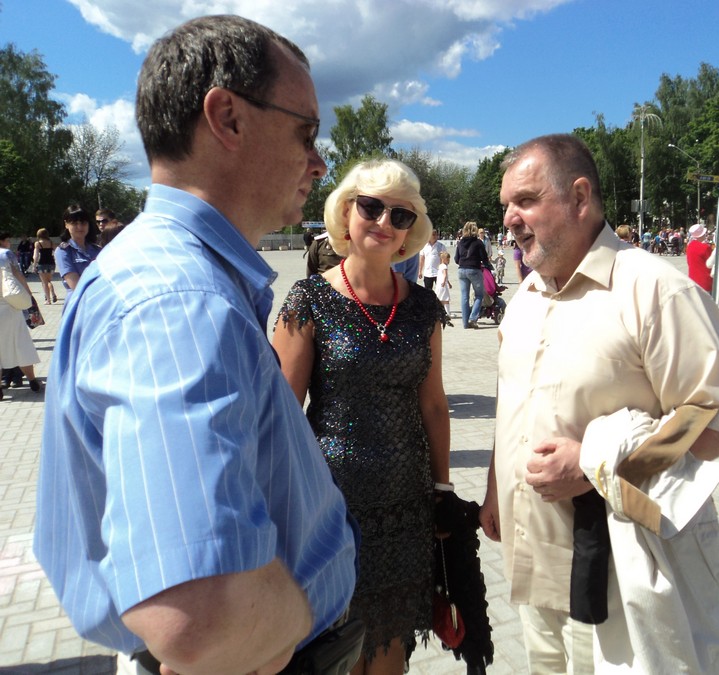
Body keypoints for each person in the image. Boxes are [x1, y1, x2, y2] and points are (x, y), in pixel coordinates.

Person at [34, 15, 358, 675]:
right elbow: (200, 622)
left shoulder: (171, 278)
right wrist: (289, 625)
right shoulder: (179, 300)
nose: (319, 161)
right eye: (306, 132)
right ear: (228, 118)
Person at [479, 134, 719, 674]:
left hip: (619, 578)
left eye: (526, 200)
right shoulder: (524, 299)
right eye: (507, 205)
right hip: (533, 564)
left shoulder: (657, 291)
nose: (510, 218)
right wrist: (494, 488)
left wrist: (594, 464)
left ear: (580, 198)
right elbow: (514, 403)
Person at [273, 158, 450, 674]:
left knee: (390, 648)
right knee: (336, 648)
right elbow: (283, 415)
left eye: (401, 215)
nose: (384, 222)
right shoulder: (310, 299)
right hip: (331, 506)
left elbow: (433, 404)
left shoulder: (422, 306)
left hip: (405, 507)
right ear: (346, 213)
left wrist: (442, 489)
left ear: (410, 232)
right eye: (371, 207)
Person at [0, 232, 41, 398]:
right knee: (21, 344)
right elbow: (19, 276)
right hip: (10, 305)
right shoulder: (6, 254)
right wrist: (29, 296)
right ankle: (32, 380)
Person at [54, 204, 102, 296]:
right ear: (66, 224)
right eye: (74, 223)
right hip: (80, 300)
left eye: (83, 223)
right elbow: (76, 286)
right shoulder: (63, 251)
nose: (79, 227)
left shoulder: (97, 250)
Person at [455, 220, 492, 329]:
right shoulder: (478, 243)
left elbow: (456, 259)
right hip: (474, 269)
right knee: (479, 295)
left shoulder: (460, 242)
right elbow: (484, 258)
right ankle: (472, 318)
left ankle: (465, 323)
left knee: (464, 296)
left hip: (461, 270)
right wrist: (488, 267)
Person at [685, 223, 714, 293]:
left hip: (693, 279)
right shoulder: (705, 247)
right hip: (705, 280)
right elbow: (710, 264)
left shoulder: (689, 246)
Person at [32, 228, 58, 304]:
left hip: (42, 263)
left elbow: (36, 255)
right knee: (49, 281)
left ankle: (48, 300)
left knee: (44, 282)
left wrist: (34, 265)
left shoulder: (37, 243)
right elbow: (57, 251)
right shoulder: (51, 242)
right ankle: (52, 293)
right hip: (51, 263)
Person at [436, 250, 453, 324]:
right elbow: (445, 275)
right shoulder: (444, 266)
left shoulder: (440, 266)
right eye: (447, 259)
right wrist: (444, 282)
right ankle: (447, 314)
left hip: (440, 284)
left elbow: (445, 276)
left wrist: (448, 283)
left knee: (440, 299)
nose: (448, 261)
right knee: (446, 299)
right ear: (443, 259)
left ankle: (441, 313)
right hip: (443, 285)